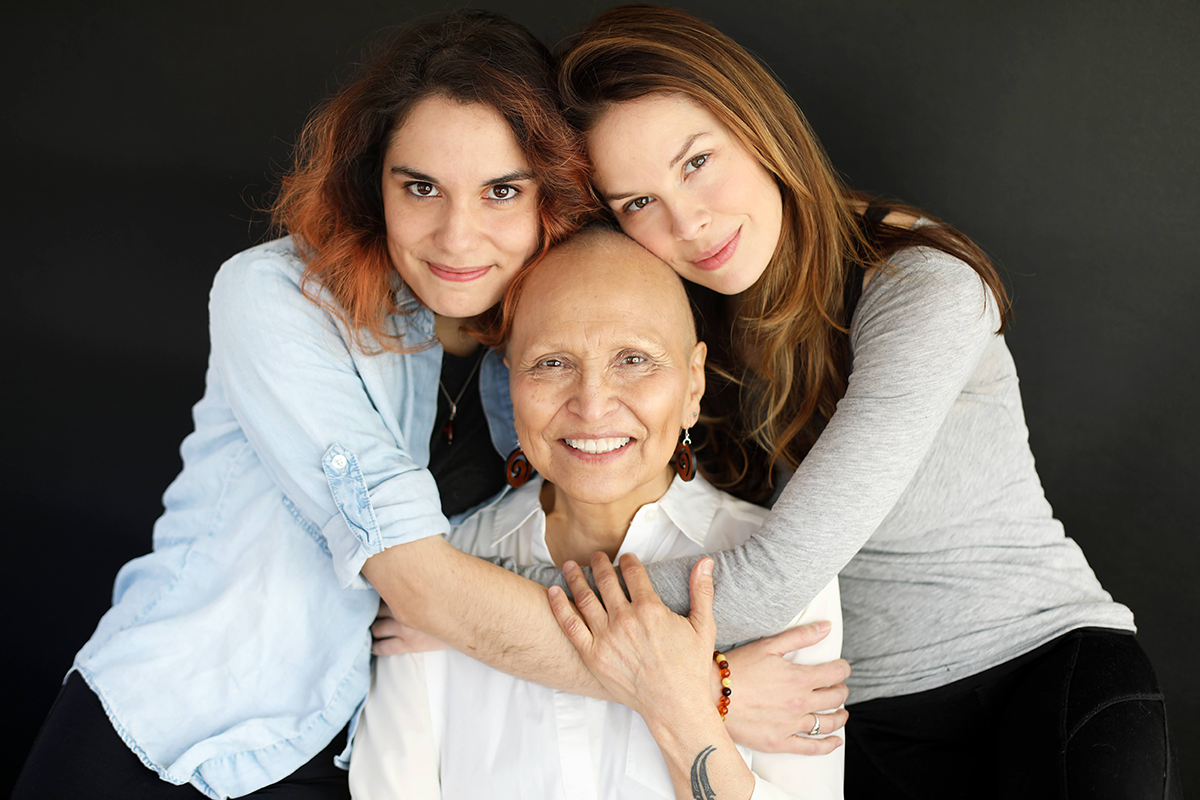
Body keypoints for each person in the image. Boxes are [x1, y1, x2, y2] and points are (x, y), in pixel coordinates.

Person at [13, 10, 846, 799]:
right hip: (169, 725)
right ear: (372, 184)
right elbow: (424, 587)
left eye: (501, 191)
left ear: (552, 193)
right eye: (420, 187)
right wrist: (710, 688)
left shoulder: (519, 348)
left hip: (328, 755)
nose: (455, 236)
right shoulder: (276, 297)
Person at [507, 5, 1179, 799]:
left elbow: (766, 581)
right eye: (637, 203)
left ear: (758, 127)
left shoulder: (923, 288)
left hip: (1040, 674)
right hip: (864, 721)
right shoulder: (683, 328)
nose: (688, 221)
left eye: (695, 163)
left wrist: (478, 602)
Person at [350, 227, 844, 800]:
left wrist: (680, 702)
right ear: (508, 379)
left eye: (634, 359)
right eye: (552, 363)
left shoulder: (778, 568)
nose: (592, 404)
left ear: (693, 383)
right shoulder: (441, 572)